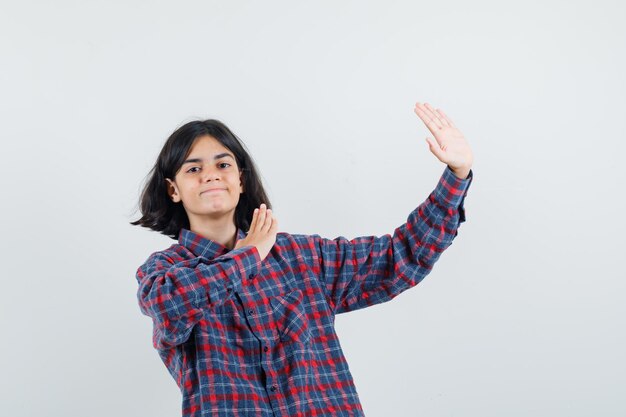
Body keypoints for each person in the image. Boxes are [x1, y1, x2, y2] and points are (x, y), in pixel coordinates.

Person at [130, 102, 474, 417]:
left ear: (241, 180)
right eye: (193, 169)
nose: (211, 174)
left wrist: (456, 177)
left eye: (223, 164)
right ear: (173, 189)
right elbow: (169, 305)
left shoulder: (303, 257)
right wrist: (249, 256)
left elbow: (400, 256)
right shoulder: (163, 272)